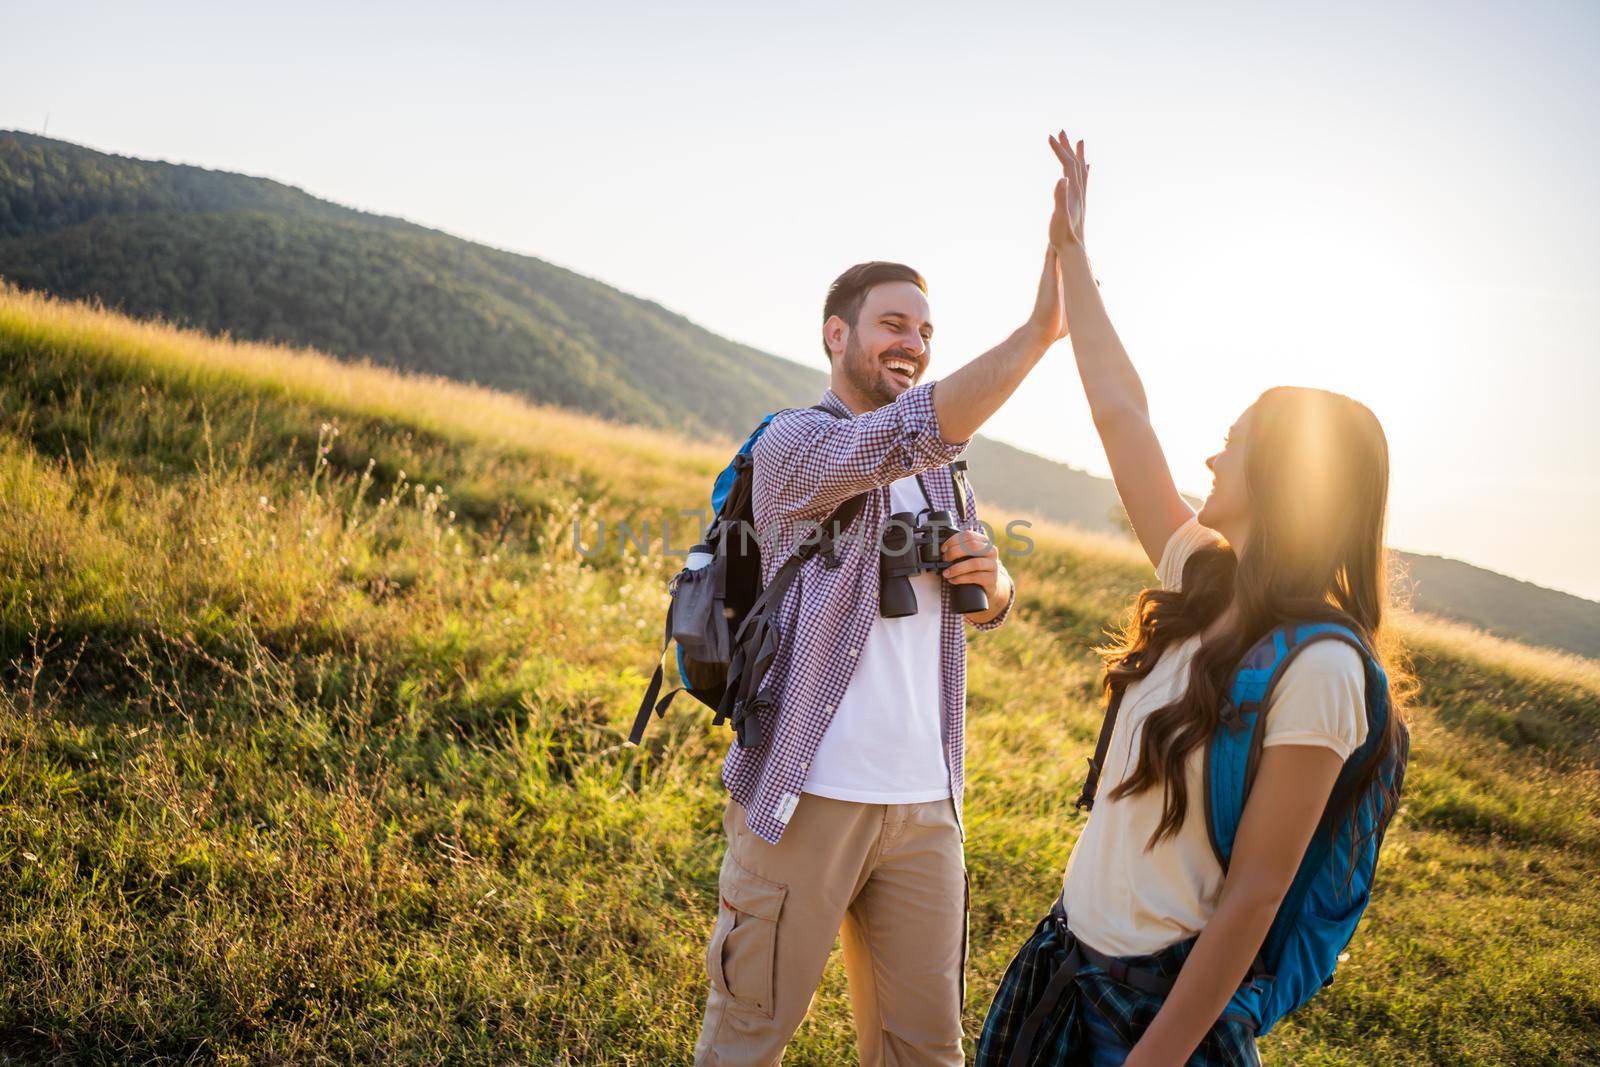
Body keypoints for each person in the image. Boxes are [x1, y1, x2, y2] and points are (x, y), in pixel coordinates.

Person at [976, 133, 1408, 1066]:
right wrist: (1073, 255)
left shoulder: (1324, 667)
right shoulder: (1202, 575)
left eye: (1234, 441)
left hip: (1153, 1022)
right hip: (1064, 963)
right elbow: (1121, 414)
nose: (1211, 456)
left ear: (1287, 478)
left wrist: (1154, 1058)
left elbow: (1254, 895)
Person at [694, 226, 1069, 1063]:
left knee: (925, 1047)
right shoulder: (793, 443)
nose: (915, 343)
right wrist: (1040, 331)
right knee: (749, 1031)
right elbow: (905, 433)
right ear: (838, 333)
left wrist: (994, 579)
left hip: (926, 804)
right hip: (808, 794)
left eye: (928, 332)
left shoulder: (942, 471)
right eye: (895, 323)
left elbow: (985, 603)